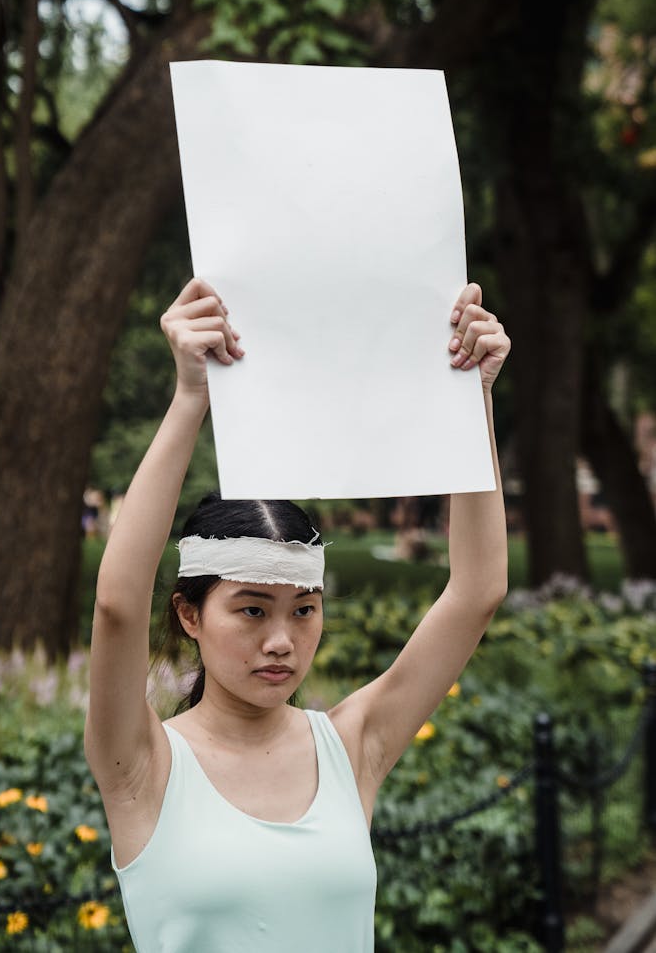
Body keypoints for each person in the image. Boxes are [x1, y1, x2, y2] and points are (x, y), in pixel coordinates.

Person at [84, 276, 511, 953]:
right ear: (189, 614)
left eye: (304, 610)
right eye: (251, 609)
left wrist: (473, 397)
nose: (281, 640)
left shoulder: (351, 746)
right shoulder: (142, 764)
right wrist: (191, 397)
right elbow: (115, 604)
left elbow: (477, 589)